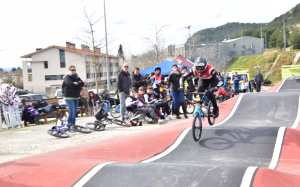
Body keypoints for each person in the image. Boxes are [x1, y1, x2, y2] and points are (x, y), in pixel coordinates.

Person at [62, 65, 84, 130]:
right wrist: (77, 84)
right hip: (69, 97)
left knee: (75, 112)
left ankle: (73, 124)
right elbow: (70, 84)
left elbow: (82, 83)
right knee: (72, 111)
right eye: (72, 70)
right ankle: (69, 124)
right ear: (69, 70)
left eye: (74, 70)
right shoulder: (67, 77)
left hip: (76, 97)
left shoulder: (77, 77)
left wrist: (76, 83)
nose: (73, 71)